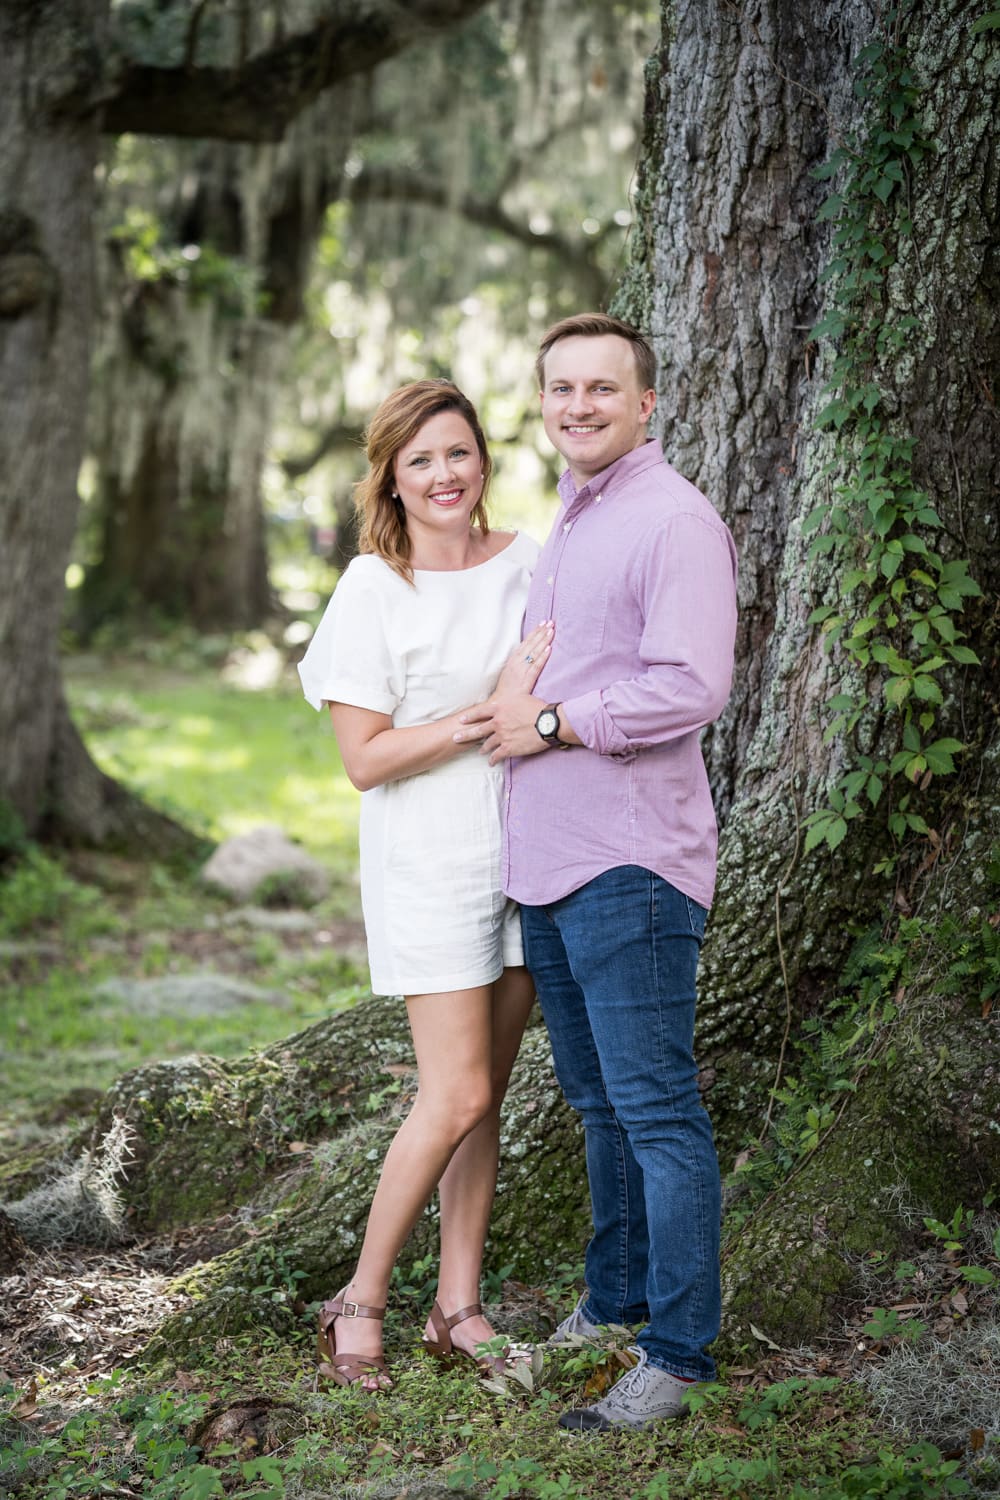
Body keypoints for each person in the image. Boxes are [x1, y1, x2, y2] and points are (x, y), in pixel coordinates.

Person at [455, 314, 738, 1431]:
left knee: (658, 1111)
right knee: (597, 1104)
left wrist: (558, 721)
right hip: (554, 867)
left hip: (631, 862)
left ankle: (675, 1354)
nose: (578, 405)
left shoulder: (671, 521)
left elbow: (690, 684)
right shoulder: (572, 526)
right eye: (560, 388)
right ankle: (614, 1298)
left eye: (601, 389)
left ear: (646, 403)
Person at [298, 379, 551, 1391]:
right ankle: (358, 1299)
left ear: (482, 458)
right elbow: (363, 758)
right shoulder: (373, 587)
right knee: (455, 1089)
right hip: (431, 866)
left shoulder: (531, 562)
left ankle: (458, 1306)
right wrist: (481, 715)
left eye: (458, 453)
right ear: (391, 480)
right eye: (421, 462)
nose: (445, 475)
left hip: (530, 855)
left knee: (481, 1098)